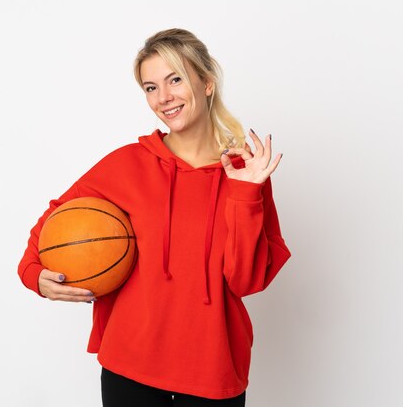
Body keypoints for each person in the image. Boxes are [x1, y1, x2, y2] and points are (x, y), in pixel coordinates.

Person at [17, 28, 291, 407]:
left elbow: (245, 281)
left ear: (207, 82)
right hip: (129, 368)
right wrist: (34, 274)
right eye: (150, 87)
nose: (164, 98)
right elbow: (55, 218)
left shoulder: (245, 171)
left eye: (175, 79)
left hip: (212, 371)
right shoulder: (128, 164)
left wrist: (247, 194)